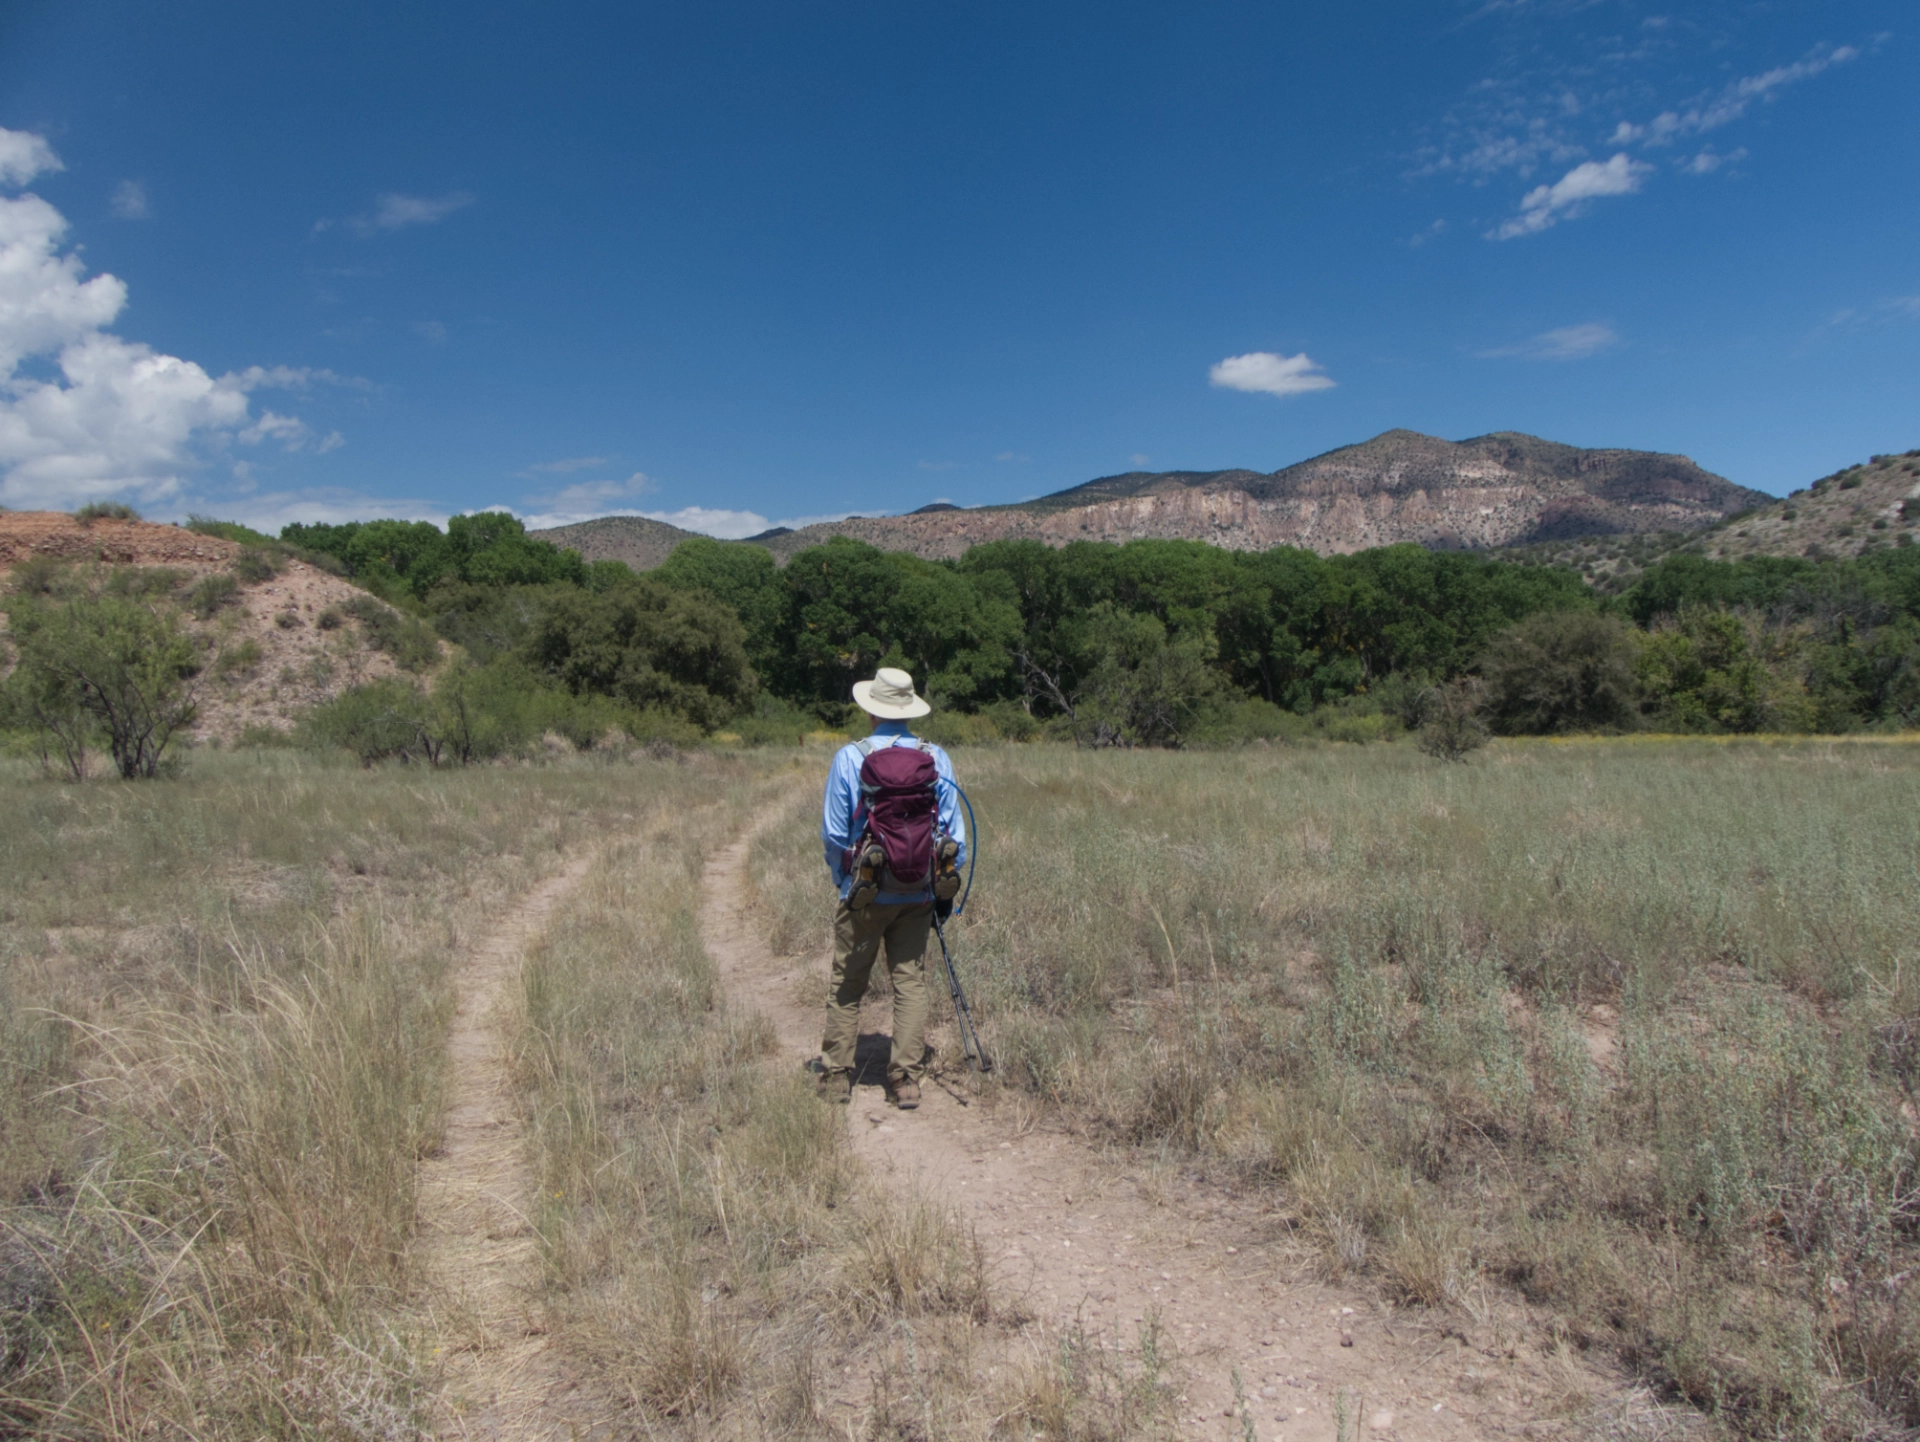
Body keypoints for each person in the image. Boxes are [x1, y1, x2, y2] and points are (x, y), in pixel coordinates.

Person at [818, 666, 967, 1109]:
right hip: (918, 890)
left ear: (871, 710)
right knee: (910, 983)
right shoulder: (935, 756)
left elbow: (833, 833)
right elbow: (953, 831)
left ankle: (836, 1078)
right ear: (909, 710)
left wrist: (845, 879)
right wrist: (942, 888)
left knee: (848, 984)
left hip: (865, 890)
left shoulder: (850, 757)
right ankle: (905, 1079)